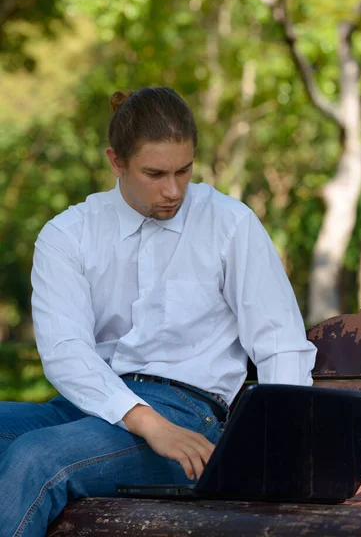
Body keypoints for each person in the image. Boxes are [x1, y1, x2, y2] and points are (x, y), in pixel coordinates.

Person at [0, 87, 316, 537]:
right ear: (116, 162)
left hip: (189, 417)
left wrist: (283, 451)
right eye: (154, 173)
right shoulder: (68, 234)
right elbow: (66, 351)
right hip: (94, 407)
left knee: (37, 458)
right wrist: (148, 423)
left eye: (184, 171)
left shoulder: (229, 224)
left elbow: (279, 342)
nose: (173, 190)